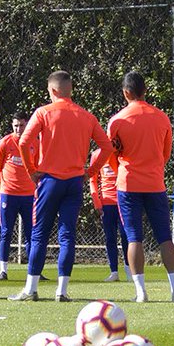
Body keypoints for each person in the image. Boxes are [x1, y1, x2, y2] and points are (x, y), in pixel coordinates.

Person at [9, 70, 114, 302]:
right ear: (71, 89)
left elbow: (24, 142)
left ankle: (31, 289)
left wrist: (32, 171)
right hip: (74, 182)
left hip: (49, 180)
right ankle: (62, 291)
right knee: (67, 234)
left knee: (39, 234)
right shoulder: (86, 116)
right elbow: (106, 147)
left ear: (52, 90)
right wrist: (90, 172)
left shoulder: (44, 112)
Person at [107, 72, 174, 302]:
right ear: (145, 91)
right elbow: (166, 152)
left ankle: (141, 292)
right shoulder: (161, 118)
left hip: (128, 184)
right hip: (155, 183)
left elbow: (112, 154)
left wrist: (123, 166)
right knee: (165, 237)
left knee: (133, 238)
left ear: (125, 93)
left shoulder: (118, 120)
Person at [0, 111, 37, 281]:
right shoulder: (4, 143)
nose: (18, 128)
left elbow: (38, 166)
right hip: (9, 195)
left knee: (31, 233)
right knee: (6, 232)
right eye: (15, 125)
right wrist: (5, 185)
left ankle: (34, 270)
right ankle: (3, 270)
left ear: (27, 125)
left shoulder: (35, 143)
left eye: (22, 125)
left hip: (29, 196)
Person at [90, 149, 128, 282]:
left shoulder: (121, 153)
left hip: (123, 201)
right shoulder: (96, 155)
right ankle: (114, 271)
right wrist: (97, 203)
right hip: (107, 203)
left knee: (126, 236)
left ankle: (129, 270)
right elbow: (93, 180)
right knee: (110, 237)